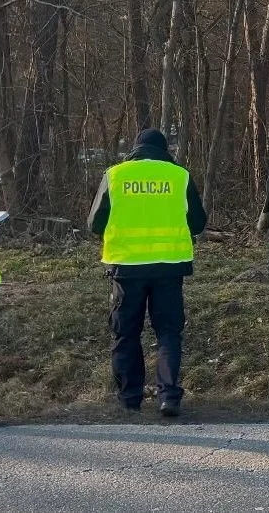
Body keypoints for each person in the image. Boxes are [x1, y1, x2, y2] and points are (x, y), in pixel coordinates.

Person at [87, 129, 207, 416]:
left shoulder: (115, 175)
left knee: (126, 333)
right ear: (164, 149)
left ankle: (130, 399)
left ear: (135, 148)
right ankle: (168, 397)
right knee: (168, 333)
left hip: (126, 268)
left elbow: (94, 223)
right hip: (169, 266)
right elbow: (199, 222)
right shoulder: (179, 176)